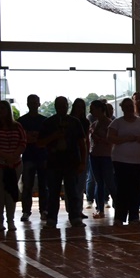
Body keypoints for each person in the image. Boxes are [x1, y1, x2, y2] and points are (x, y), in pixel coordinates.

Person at [38, 96, 87, 228]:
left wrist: (83, 162)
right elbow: (40, 143)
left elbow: (82, 143)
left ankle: (75, 217)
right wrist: (54, 136)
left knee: (73, 192)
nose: (62, 108)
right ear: (55, 106)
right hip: (53, 162)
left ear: (67, 106)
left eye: (64, 105)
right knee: (53, 192)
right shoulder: (48, 123)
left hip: (71, 162)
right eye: (59, 105)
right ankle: (51, 219)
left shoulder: (75, 122)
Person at [108, 97, 140, 225]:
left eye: (131, 106)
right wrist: (125, 139)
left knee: (137, 188)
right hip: (121, 161)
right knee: (122, 189)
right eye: (126, 106)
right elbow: (110, 137)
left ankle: (134, 216)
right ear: (122, 108)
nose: (129, 108)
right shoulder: (117, 123)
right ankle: (119, 217)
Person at [0, 100, 26, 231]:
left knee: (11, 192)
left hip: (15, 164)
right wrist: (5, 156)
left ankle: (11, 220)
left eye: (3, 108)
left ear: (8, 110)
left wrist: (14, 156)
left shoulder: (17, 126)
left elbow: (23, 142)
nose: (1, 111)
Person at [17, 94, 49, 222]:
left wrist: (30, 137)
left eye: (35, 102)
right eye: (31, 102)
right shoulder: (43, 121)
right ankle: (30, 211)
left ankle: (39, 210)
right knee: (29, 185)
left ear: (38, 104)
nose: (33, 104)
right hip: (32, 156)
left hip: (38, 156)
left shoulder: (23, 121)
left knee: (40, 185)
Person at [87, 99, 118, 219]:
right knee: (99, 183)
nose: (91, 111)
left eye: (93, 109)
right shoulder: (94, 124)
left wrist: (97, 137)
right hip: (94, 156)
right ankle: (100, 210)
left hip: (106, 156)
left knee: (110, 183)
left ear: (100, 109)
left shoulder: (110, 124)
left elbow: (111, 141)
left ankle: (118, 208)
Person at [70, 97, 91, 217]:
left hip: (82, 153)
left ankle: (78, 209)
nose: (80, 109)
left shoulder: (85, 122)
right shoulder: (69, 121)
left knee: (81, 183)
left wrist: (87, 152)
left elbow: (86, 139)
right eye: (78, 107)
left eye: (81, 107)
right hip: (71, 153)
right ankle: (73, 209)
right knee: (72, 182)